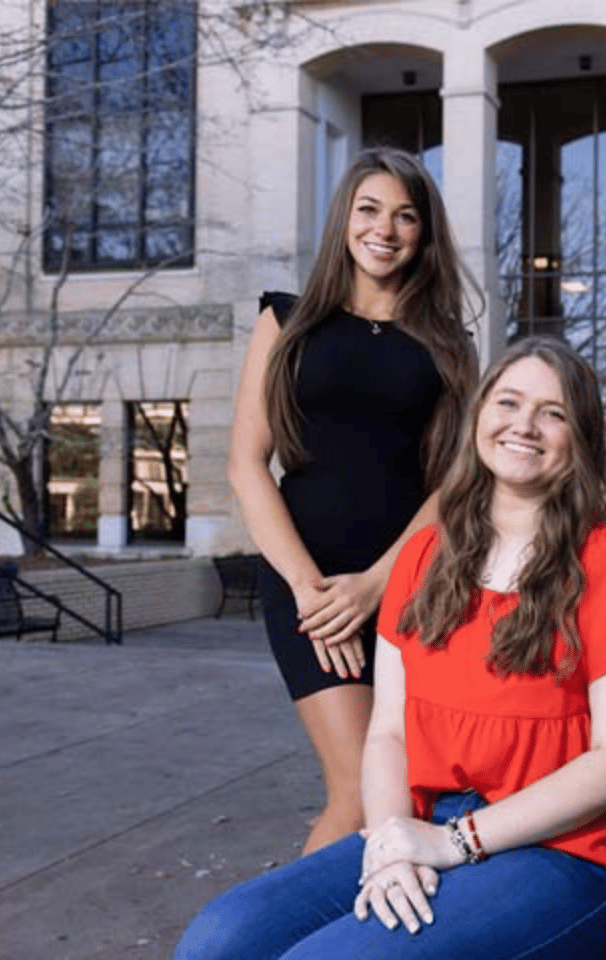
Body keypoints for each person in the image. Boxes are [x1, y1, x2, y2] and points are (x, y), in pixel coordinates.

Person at [176, 336, 606, 960]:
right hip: (426, 823)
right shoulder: (423, 557)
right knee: (218, 940)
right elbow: (387, 733)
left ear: (582, 439)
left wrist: (454, 843)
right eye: (509, 402)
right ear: (479, 419)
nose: (525, 425)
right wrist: (387, 843)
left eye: (554, 412)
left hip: (573, 851)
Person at [228, 147, 478, 853]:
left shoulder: (448, 346)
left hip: (409, 586)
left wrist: (379, 583)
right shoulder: (287, 322)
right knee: (358, 794)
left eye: (406, 216)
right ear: (345, 218)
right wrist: (311, 592)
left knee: (408, 788)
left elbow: (456, 482)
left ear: (424, 235)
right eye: (370, 210)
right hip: (309, 587)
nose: (386, 229)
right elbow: (247, 465)